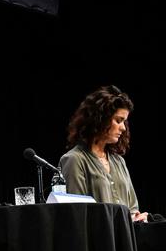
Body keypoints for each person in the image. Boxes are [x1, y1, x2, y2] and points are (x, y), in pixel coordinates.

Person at [59, 85, 148, 222]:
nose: (123, 128)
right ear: (100, 119)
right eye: (118, 120)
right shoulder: (74, 160)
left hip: (125, 241)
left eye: (124, 122)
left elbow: (132, 208)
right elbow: (77, 216)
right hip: (98, 242)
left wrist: (136, 218)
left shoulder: (119, 161)